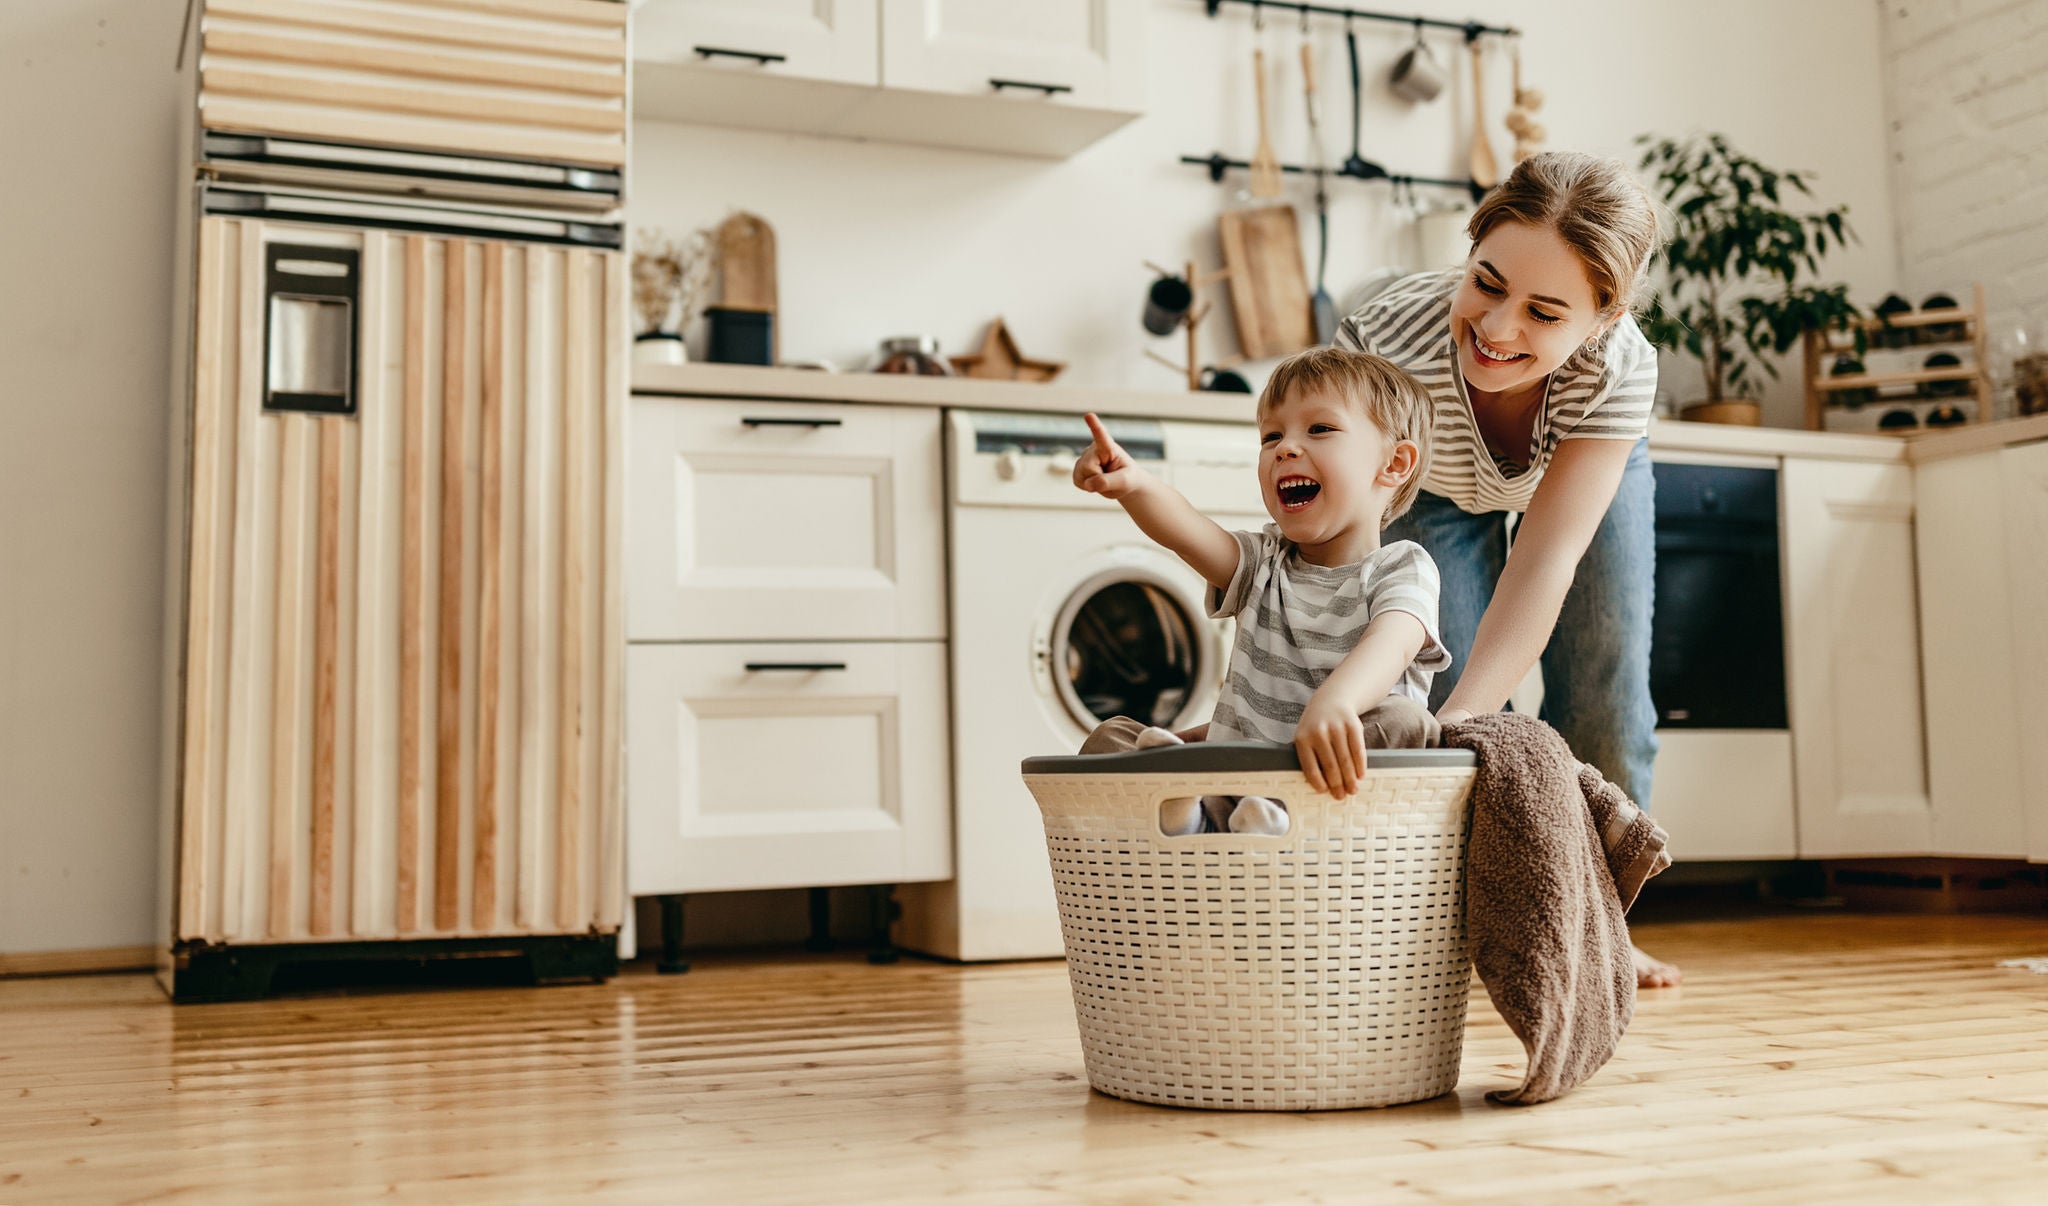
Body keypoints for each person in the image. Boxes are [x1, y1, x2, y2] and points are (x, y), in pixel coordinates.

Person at [1336, 150, 1680, 988]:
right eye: (1486, 283)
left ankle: (1598, 927)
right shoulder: (1383, 340)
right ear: (1470, 248)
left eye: (1543, 312)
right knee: (1434, 691)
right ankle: (1450, 933)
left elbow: (1548, 559)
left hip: (1576, 467)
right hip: (1428, 486)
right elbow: (1344, 528)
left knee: (1605, 682)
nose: (1497, 329)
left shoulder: (1618, 369)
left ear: (1601, 320)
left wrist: (1463, 722)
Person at [1071, 347, 1450, 835]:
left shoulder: (1403, 567)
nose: (1284, 448)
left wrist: (1335, 703)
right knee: (1112, 738)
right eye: (1271, 435)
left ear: (1394, 463)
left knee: (1409, 724)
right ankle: (1194, 819)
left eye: (1319, 429)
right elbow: (1187, 530)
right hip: (1232, 779)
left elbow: (1392, 643)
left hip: (1333, 791)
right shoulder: (1264, 562)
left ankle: (1267, 821)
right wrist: (1134, 485)